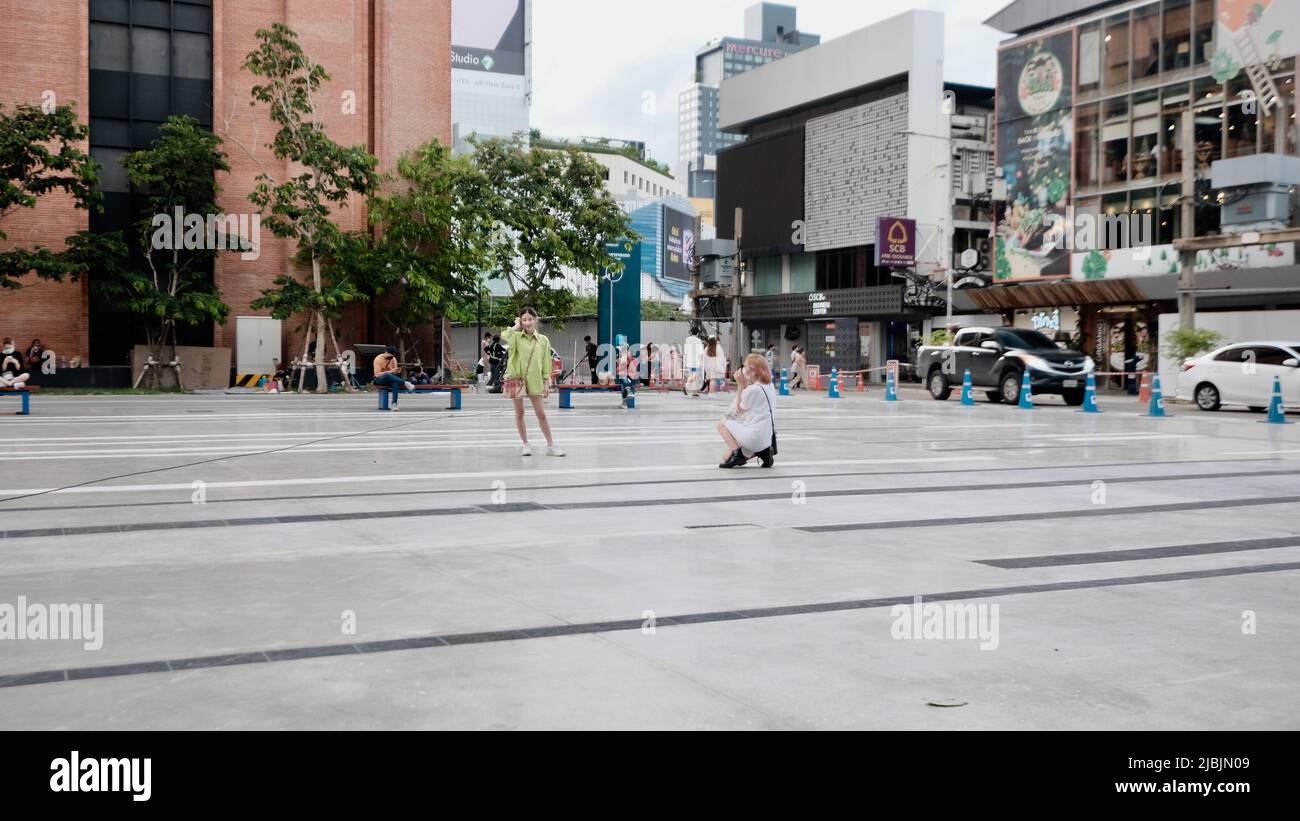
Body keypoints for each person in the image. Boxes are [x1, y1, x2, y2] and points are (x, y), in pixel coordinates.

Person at [501, 307, 565, 457]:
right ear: (521, 321)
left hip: (535, 381)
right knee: (519, 412)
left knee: (541, 413)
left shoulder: (543, 340)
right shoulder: (515, 337)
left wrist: (546, 382)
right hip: (517, 379)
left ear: (535, 320)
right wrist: (516, 326)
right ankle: (525, 444)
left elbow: (545, 362)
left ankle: (550, 445)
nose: (527, 322)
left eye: (530, 319)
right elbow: (505, 335)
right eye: (524, 320)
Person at [716, 353, 777, 469]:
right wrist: (745, 384)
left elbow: (739, 409)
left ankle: (737, 453)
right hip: (767, 437)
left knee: (721, 424)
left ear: (752, 370)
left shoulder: (754, 390)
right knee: (726, 457)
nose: (743, 369)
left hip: (755, 437)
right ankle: (763, 453)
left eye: (745, 367)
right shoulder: (769, 385)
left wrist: (740, 385)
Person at [372, 345, 413, 411]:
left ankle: (394, 404)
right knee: (387, 374)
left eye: (393, 354)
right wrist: (390, 372)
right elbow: (377, 374)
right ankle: (405, 383)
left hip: (390, 378)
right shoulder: (378, 359)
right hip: (379, 379)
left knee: (395, 382)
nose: (392, 355)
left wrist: (397, 371)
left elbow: (394, 373)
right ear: (386, 352)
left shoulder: (393, 359)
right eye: (391, 353)